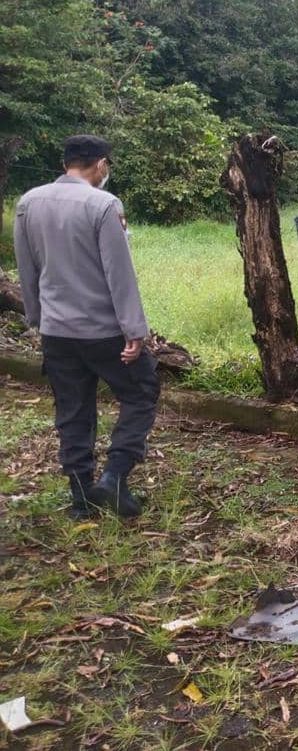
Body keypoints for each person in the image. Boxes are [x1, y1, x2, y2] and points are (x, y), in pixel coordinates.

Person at [12, 134, 160, 520]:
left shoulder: (28, 203)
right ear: (101, 164)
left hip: (57, 331)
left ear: (66, 163)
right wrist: (135, 330)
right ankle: (113, 477)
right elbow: (119, 272)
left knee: (73, 410)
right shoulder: (104, 204)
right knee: (142, 391)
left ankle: (81, 499)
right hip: (103, 331)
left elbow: (26, 269)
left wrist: (37, 319)